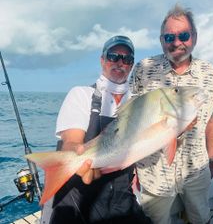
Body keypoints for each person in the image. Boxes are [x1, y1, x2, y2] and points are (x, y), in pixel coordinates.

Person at [40, 35, 152, 224]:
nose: (120, 62)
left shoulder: (137, 104)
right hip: (79, 199)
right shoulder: (81, 94)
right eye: (113, 56)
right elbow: (71, 142)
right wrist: (78, 161)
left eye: (127, 59)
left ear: (132, 65)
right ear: (102, 60)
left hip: (121, 199)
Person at [130, 4, 213, 224]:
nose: (177, 42)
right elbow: (132, 122)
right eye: (169, 36)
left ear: (194, 37)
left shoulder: (210, 73)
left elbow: (212, 119)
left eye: (184, 35)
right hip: (153, 172)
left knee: (200, 219)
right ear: (161, 40)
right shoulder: (144, 68)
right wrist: (132, 169)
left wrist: (212, 159)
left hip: (196, 171)